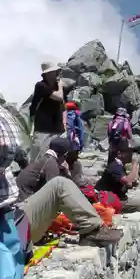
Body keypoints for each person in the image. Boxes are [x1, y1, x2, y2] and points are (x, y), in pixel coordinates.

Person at [15, 137, 122, 245]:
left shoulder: (43, 161)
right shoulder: (51, 164)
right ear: (65, 155)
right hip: (22, 223)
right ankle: (92, 230)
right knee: (59, 184)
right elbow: (54, 196)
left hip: (20, 217)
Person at [0, 105, 27, 278]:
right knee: (12, 247)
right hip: (6, 195)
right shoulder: (4, 112)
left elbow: (4, 144)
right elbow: (11, 142)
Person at [29, 62, 65, 164]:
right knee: (38, 157)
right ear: (48, 74)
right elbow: (59, 97)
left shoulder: (56, 87)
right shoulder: (41, 85)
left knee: (55, 157)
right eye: (54, 72)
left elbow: (63, 105)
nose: (57, 74)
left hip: (56, 127)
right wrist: (60, 86)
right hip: (43, 128)